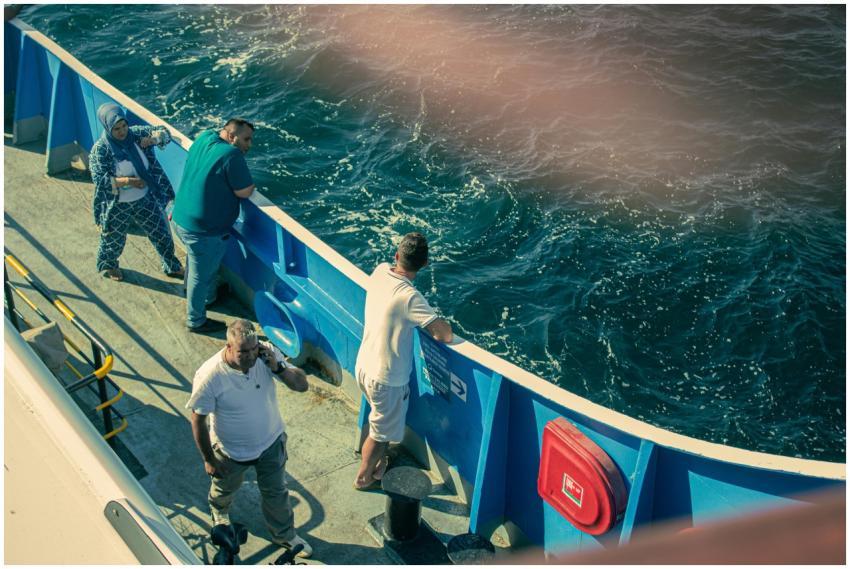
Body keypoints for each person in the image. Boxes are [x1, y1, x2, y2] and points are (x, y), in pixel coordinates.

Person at [187, 318, 312, 558]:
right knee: (224, 488)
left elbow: (301, 386)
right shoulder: (210, 375)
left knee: (277, 493)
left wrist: (278, 367)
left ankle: (284, 535)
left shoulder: (266, 356)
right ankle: (219, 512)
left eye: (254, 348)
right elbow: (198, 421)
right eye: (244, 351)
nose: (251, 356)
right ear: (228, 347)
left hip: (271, 444)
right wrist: (209, 459)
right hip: (231, 451)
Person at [353, 232, 453, 490]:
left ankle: (378, 465)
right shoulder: (410, 297)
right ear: (425, 264)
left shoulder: (380, 271)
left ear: (397, 256)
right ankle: (364, 478)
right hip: (385, 380)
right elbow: (443, 334)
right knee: (379, 434)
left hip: (364, 365)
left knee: (381, 424)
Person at [170, 118, 256, 334]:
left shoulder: (205, 136)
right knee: (200, 276)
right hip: (202, 230)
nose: (249, 144)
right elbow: (245, 191)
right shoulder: (231, 154)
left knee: (195, 263)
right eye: (246, 139)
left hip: (180, 217)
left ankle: (202, 296)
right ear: (231, 136)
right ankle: (196, 320)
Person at [90, 103, 183, 282]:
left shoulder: (137, 134)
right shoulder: (100, 150)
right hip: (117, 205)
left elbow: (165, 133)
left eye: (124, 126)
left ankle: (172, 265)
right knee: (113, 238)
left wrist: (154, 139)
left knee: (160, 233)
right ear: (107, 128)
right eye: (116, 129)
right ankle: (109, 265)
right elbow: (101, 181)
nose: (122, 131)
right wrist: (129, 182)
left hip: (145, 198)